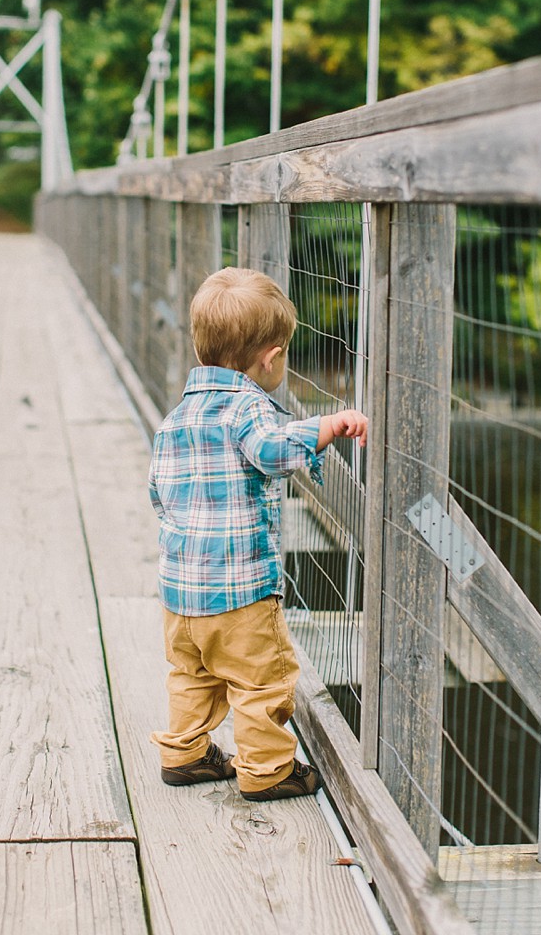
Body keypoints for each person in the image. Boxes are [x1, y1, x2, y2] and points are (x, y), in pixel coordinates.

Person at [148, 266, 368, 802]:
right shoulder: (245, 406)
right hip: (241, 592)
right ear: (270, 358)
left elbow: (158, 492)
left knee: (192, 675)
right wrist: (327, 427)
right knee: (261, 679)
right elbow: (269, 449)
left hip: (181, 595)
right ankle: (268, 770)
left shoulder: (175, 418)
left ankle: (185, 754)